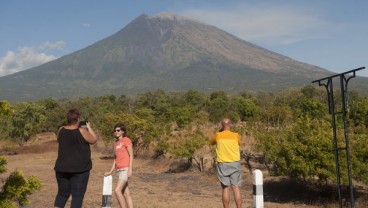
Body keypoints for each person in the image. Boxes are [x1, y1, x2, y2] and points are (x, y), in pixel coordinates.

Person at [54, 108, 97, 208]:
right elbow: (94, 140)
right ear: (78, 119)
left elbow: (59, 140)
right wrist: (89, 127)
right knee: (77, 197)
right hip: (80, 171)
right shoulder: (82, 131)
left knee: (62, 195)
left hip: (62, 169)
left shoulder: (61, 130)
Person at [210, 118, 242, 208]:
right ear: (231, 124)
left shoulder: (218, 135)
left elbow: (211, 142)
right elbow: (239, 143)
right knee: (236, 187)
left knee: (225, 188)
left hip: (222, 164)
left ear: (222, 125)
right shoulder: (236, 135)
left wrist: (219, 132)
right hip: (235, 163)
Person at [105, 123, 134, 208]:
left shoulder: (126, 140)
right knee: (126, 193)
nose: (116, 132)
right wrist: (111, 171)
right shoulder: (116, 143)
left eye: (118, 130)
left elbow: (131, 155)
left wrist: (130, 169)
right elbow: (116, 159)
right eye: (115, 130)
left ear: (122, 131)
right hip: (118, 170)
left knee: (117, 191)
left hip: (125, 169)